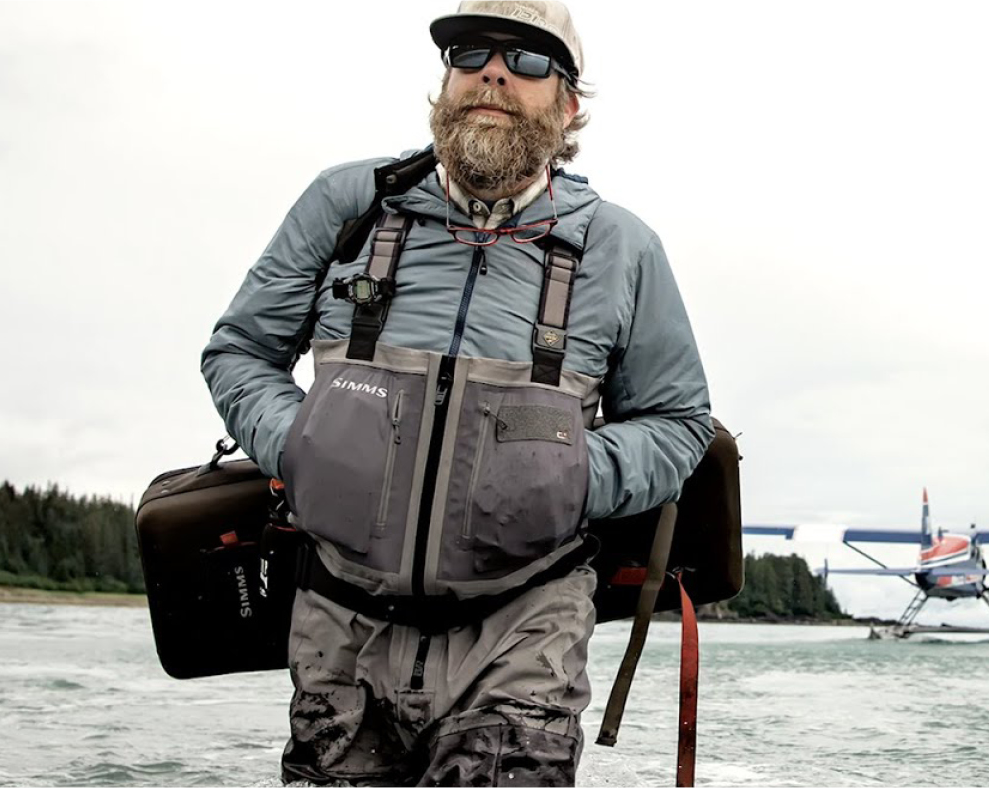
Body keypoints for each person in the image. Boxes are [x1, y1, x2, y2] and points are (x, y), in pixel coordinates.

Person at [200, 1, 713, 784]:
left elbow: (678, 423)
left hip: (525, 628)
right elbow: (239, 349)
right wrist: (300, 443)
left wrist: (571, 473)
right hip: (341, 625)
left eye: (531, 60)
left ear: (570, 104)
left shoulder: (624, 247)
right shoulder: (348, 205)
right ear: (445, 81)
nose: (496, 72)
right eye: (471, 53)